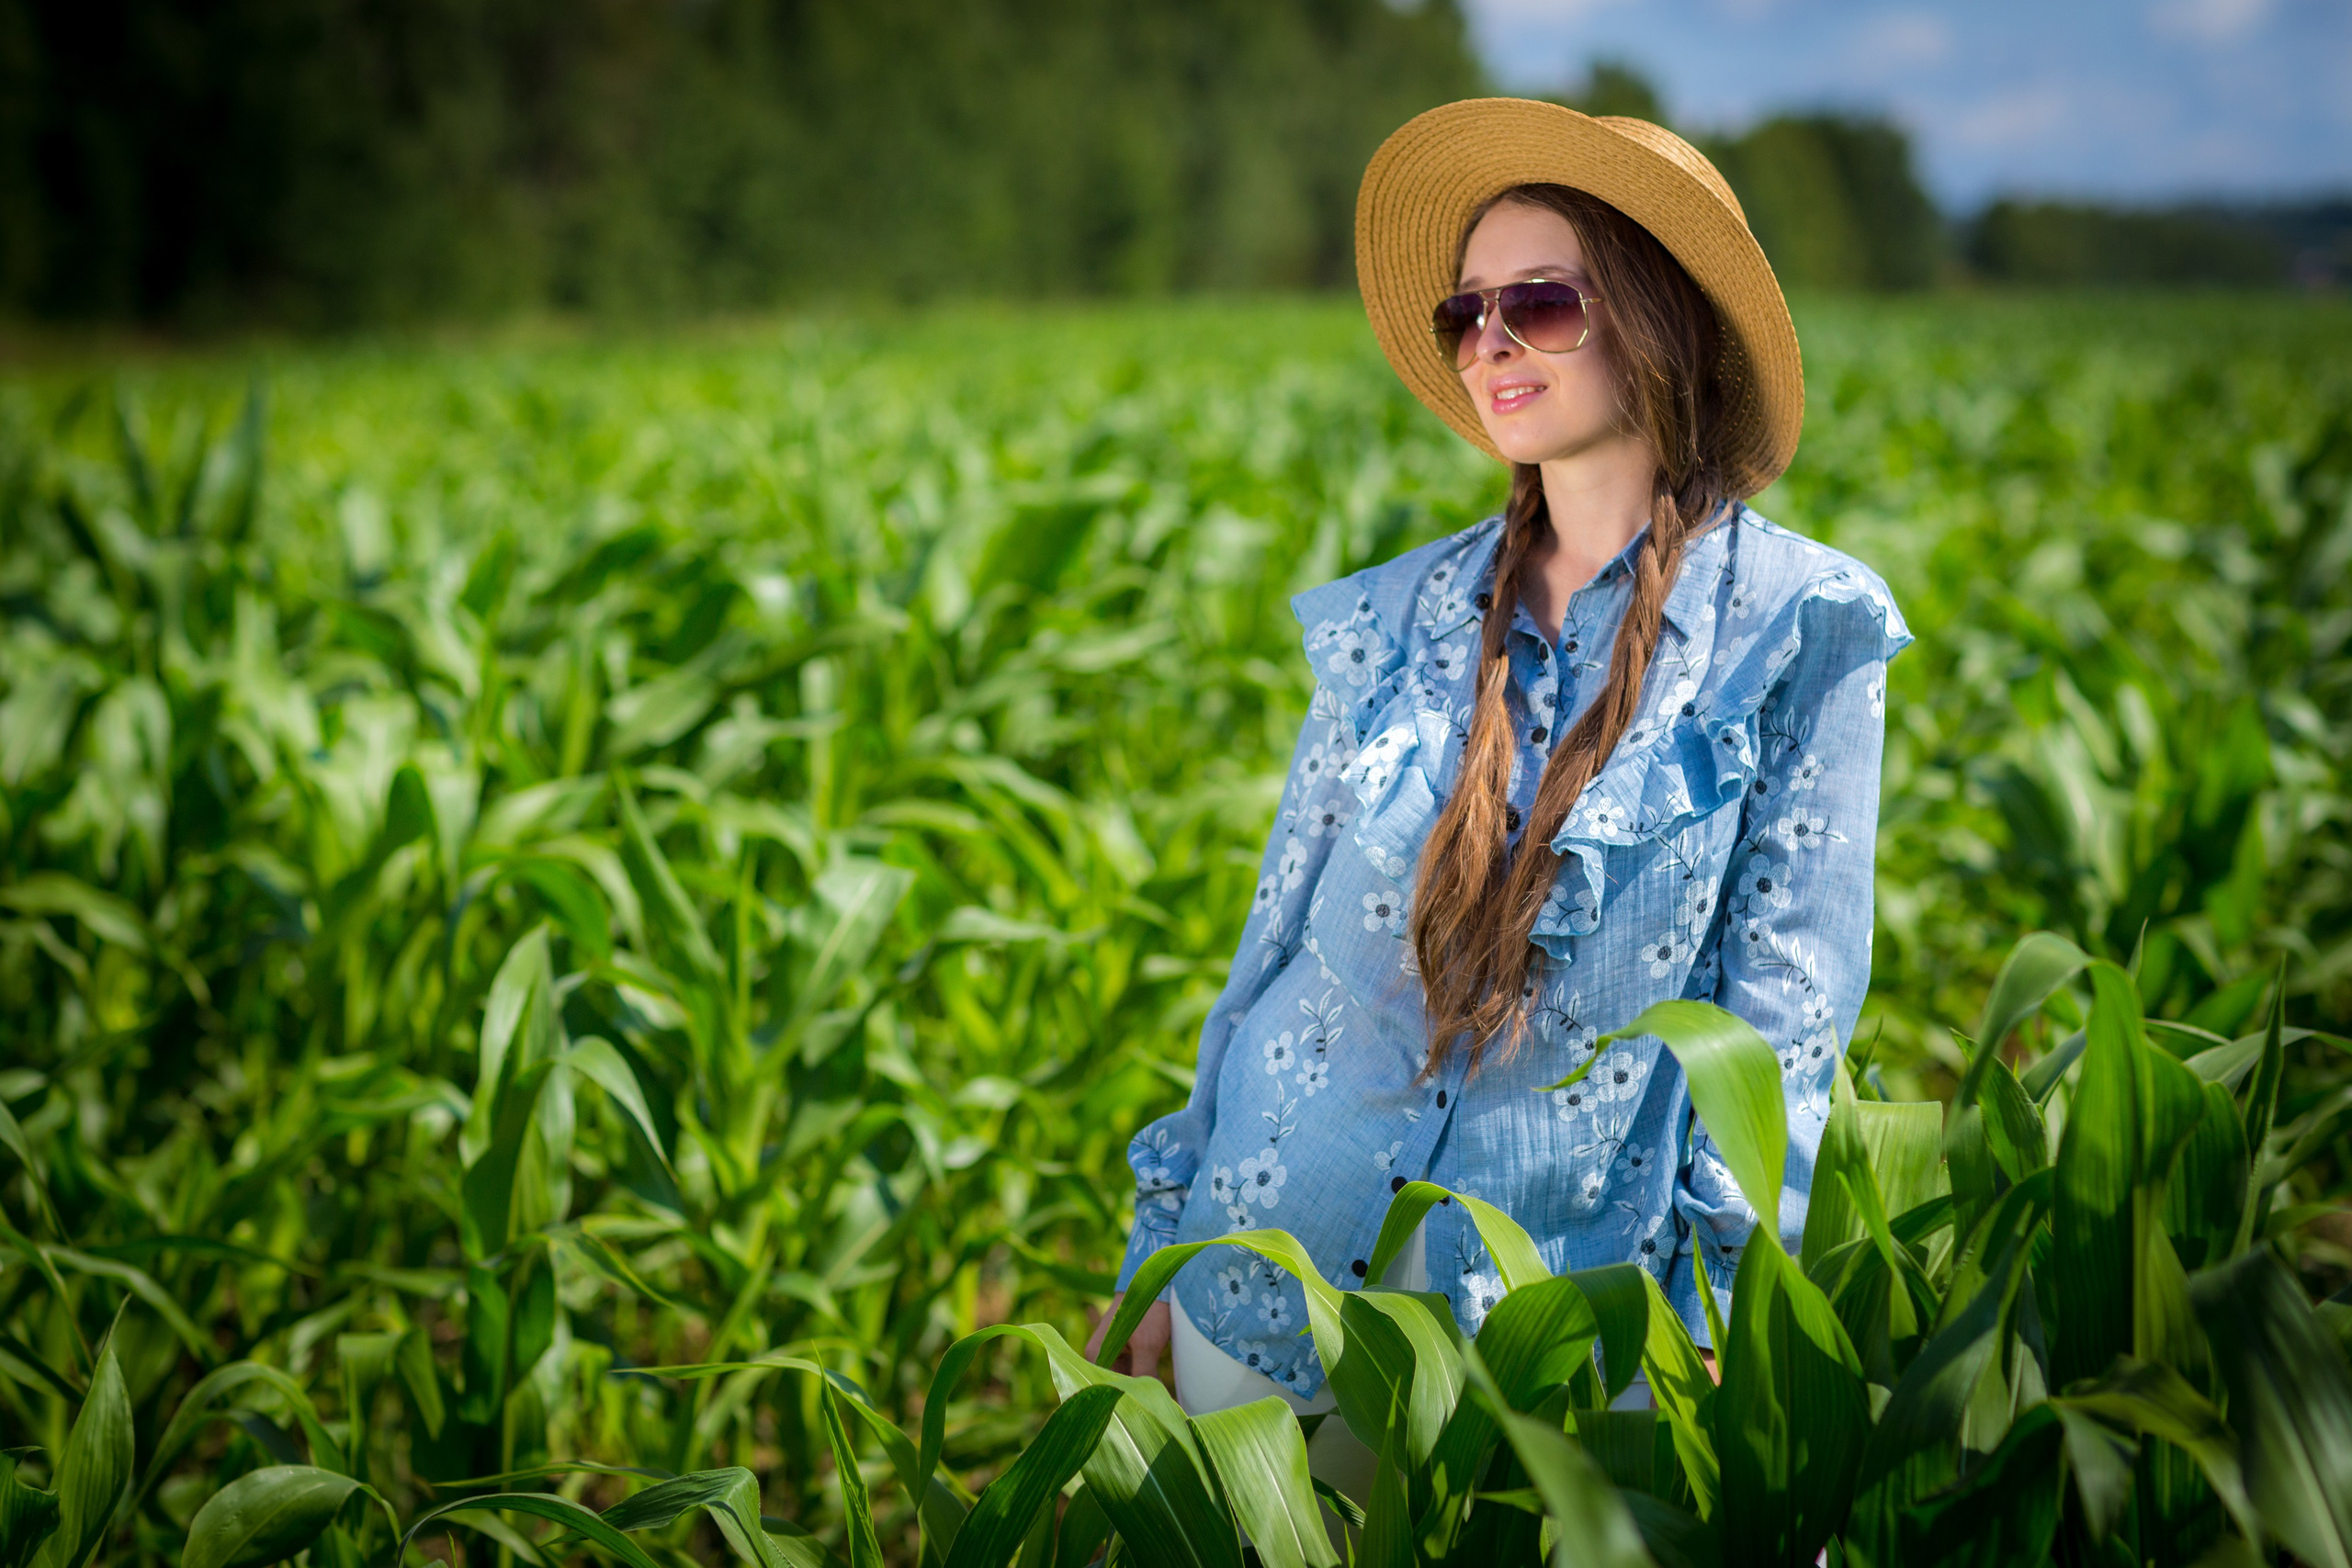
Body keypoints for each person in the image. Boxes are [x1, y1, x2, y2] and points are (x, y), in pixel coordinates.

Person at [1085, 97, 1909, 1490]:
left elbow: (1788, 1014)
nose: (1491, 346)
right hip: (1267, 1273)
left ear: (1660, 319)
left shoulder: (1801, 623)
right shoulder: (1396, 613)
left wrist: (1723, 1307)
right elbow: (1267, 957)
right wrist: (1161, 1247)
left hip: (1566, 1332)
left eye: (1539, 303)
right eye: (1467, 315)